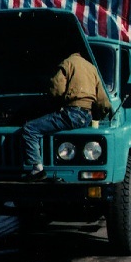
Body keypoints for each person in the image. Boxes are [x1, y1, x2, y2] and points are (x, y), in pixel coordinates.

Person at [22, 52, 111, 180]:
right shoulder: (91, 67)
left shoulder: (67, 63)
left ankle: (37, 170)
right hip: (86, 116)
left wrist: (52, 101)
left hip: (72, 113)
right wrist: (100, 115)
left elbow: (57, 89)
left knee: (30, 129)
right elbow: (103, 100)